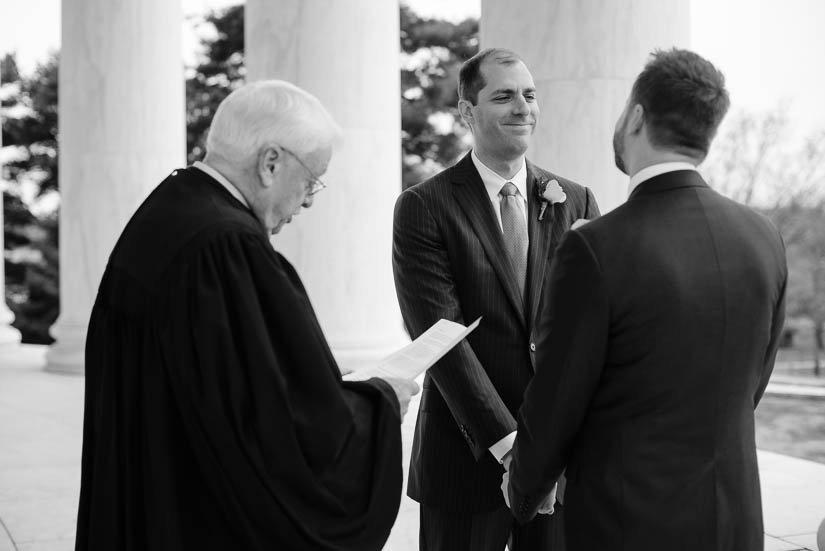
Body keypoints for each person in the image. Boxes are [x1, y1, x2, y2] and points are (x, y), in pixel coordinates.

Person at [74, 80, 419, 551]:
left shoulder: (169, 208)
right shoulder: (226, 247)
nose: (311, 200)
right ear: (270, 162)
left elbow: (236, 385)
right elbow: (276, 427)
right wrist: (378, 403)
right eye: (312, 180)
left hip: (151, 502)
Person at [504, 49, 787, 550]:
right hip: (735, 522)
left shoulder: (596, 247)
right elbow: (752, 385)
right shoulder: (763, 236)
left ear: (636, 116)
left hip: (627, 525)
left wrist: (523, 489)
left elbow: (556, 398)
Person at [393, 48, 600, 550]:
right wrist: (513, 452)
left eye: (529, 95)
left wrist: (557, 451)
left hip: (559, 463)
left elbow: (591, 330)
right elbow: (442, 342)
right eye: (504, 96)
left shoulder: (576, 200)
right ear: (467, 112)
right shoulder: (423, 207)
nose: (522, 107)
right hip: (462, 463)